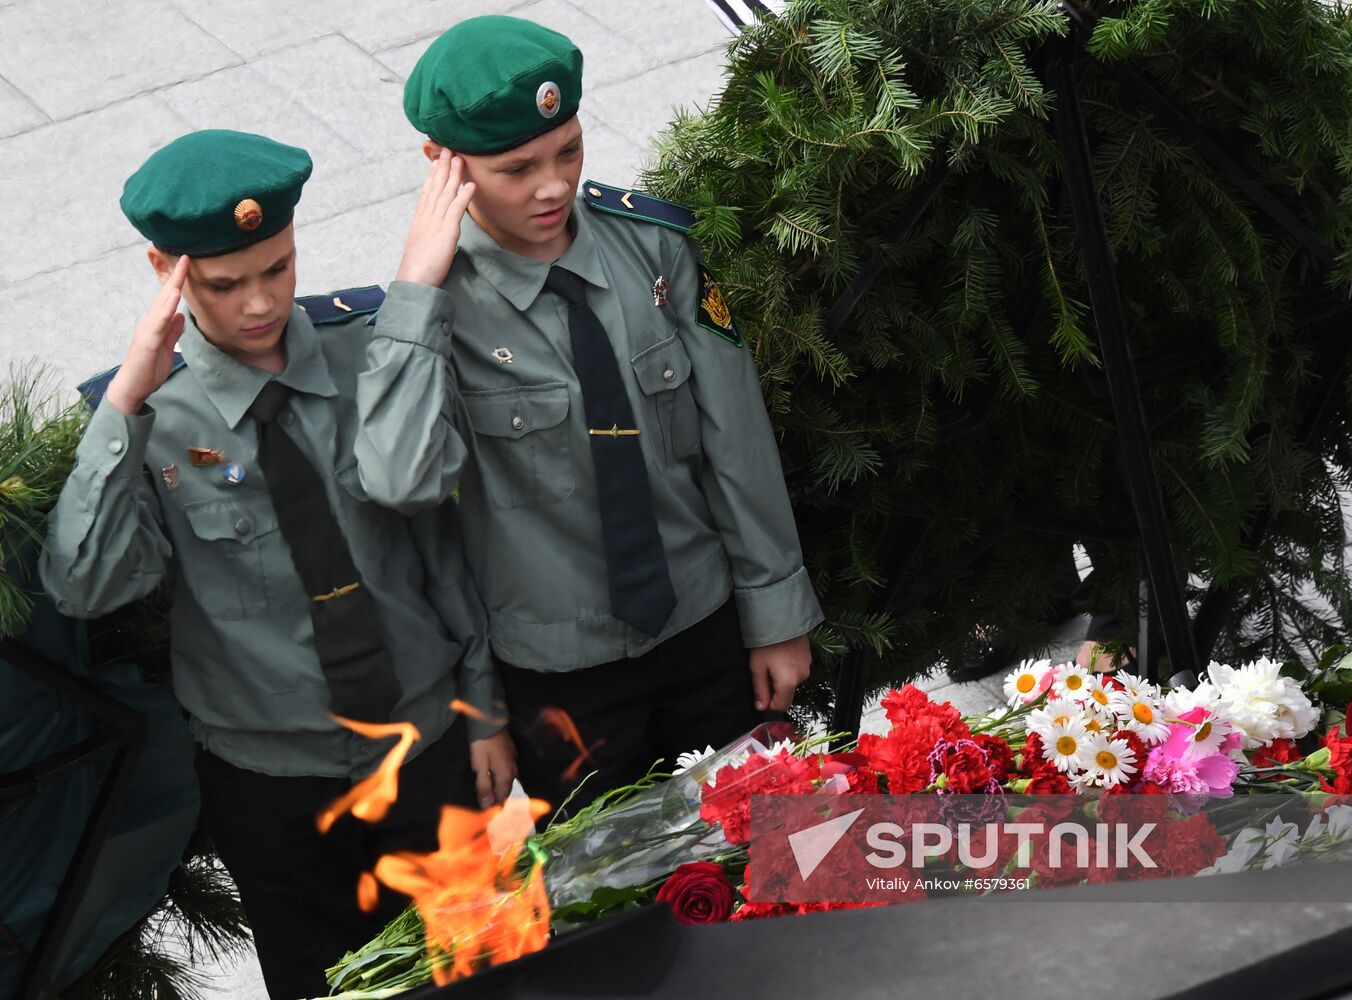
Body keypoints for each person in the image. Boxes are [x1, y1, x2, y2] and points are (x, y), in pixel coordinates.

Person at [39, 130, 514, 1000]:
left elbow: (441, 554)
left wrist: (485, 714)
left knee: (479, 968)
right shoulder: (153, 417)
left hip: (426, 747)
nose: (259, 303)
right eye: (225, 285)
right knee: (318, 986)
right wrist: (124, 405)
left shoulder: (368, 346)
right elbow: (86, 584)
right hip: (273, 789)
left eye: (278, 268)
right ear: (165, 269)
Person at [354, 15, 824, 815]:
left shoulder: (653, 249)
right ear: (443, 163)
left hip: (702, 625)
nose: (552, 185)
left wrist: (776, 612)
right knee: (621, 903)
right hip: (559, 677)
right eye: (515, 168)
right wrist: (416, 292)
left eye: (568, 149)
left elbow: (734, 443)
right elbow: (400, 483)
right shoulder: (426, 319)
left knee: (766, 853)